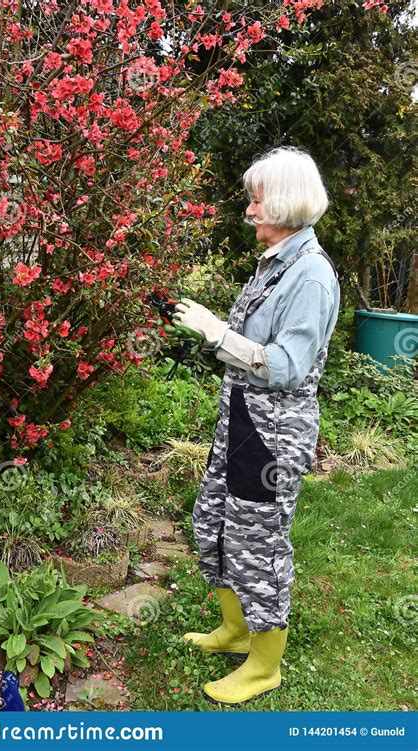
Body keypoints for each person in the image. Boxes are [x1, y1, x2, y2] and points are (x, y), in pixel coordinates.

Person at [172, 145, 340, 706]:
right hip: (241, 420)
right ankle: (237, 629)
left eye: (258, 195)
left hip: (274, 432)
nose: (249, 207)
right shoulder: (276, 264)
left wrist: (218, 334)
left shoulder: (311, 276)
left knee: (258, 542)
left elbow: (288, 366)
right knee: (214, 521)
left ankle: (265, 663)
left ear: (287, 199)